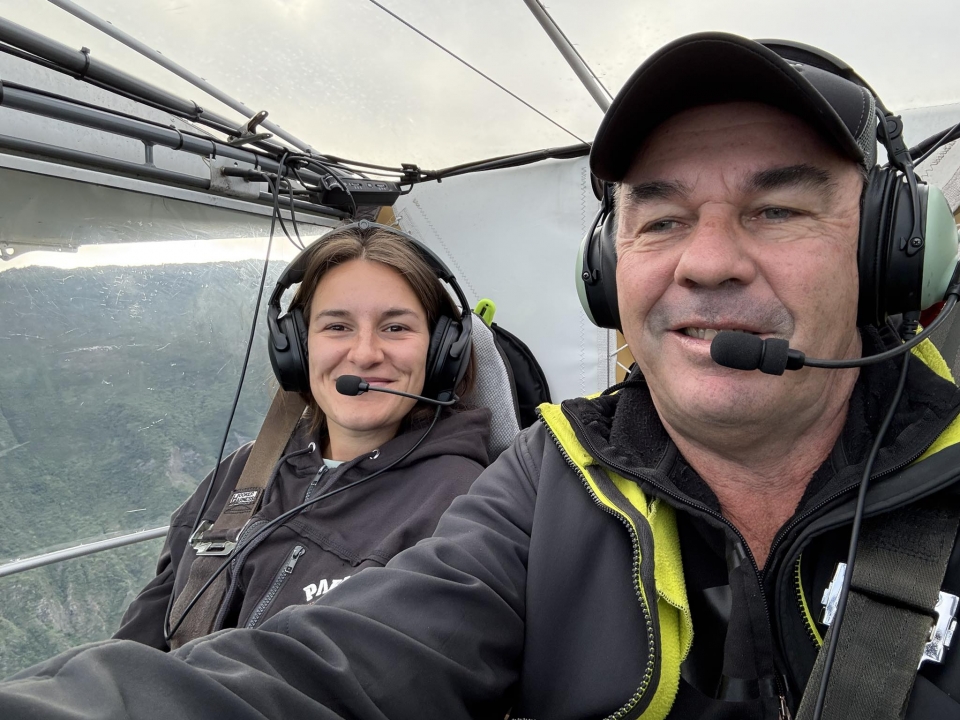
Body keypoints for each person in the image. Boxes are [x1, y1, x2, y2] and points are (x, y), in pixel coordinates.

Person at [3, 31, 960, 720]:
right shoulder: (553, 484)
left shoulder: (470, 475)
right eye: (661, 219)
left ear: (892, 253)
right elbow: (331, 669)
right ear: (607, 270)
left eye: (777, 211)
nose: (706, 262)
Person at [112, 221, 490, 649]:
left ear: (442, 351)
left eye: (395, 327)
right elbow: (140, 634)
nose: (365, 354)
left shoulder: (463, 505)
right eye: (337, 326)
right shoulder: (246, 470)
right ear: (295, 348)